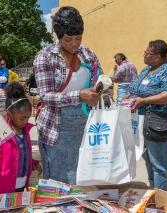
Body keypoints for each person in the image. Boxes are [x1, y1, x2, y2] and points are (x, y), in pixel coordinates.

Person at [33, 6, 102, 184]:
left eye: (78, 38)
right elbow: (46, 96)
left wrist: (103, 88)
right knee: (59, 182)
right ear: (58, 36)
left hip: (86, 128)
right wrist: (79, 96)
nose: (74, 44)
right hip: (56, 130)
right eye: (68, 39)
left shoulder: (88, 54)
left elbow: (98, 79)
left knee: (82, 179)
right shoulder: (45, 57)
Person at [126, 40, 167, 190]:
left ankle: (160, 198)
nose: (144, 55)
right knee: (149, 159)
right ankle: (153, 192)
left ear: (158, 56)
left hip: (161, 121)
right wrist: (128, 96)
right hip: (143, 120)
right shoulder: (147, 69)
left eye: (148, 53)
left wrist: (144, 101)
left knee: (159, 163)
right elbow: (135, 88)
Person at [0, 82, 40, 196]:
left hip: (21, 187)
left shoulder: (25, 132)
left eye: (28, 117)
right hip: (2, 189)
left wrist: (32, 163)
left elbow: (23, 153)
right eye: (22, 118)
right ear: (9, 114)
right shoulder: (0, 134)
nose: (26, 121)